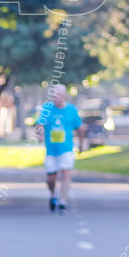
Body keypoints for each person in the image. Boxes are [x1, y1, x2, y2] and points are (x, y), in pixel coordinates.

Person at [35, 84, 81, 213]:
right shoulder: (47, 109)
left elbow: (79, 127)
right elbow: (39, 124)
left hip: (66, 148)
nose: (57, 98)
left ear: (64, 95)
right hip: (51, 150)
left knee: (66, 174)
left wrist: (82, 143)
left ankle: (63, 201)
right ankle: (53, 194)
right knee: (51, 178)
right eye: (55, 95)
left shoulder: (71, 109)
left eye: (59, 95)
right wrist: (40, 134)